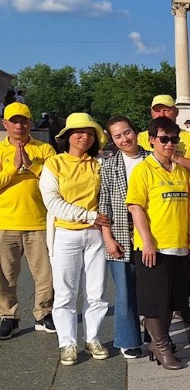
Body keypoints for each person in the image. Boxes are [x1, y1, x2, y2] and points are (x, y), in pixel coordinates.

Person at [39, 113, 110, 366]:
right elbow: (53, 202)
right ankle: (67, 342)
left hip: (94, 235)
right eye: (79, 132)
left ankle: (93, 337)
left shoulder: (98, 164)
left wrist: (97, 221)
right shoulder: (54, 164)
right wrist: (89, 216)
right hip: (66, 233)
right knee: (65, 293)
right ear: (68, 135)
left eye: (90, 133)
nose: (85, 136)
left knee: (96, 291)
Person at [126, 117, 190, 370]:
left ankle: (158, 343)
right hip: (155, 246)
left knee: (173, 298)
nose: (169, 144)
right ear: (152, 140)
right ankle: (162, 346)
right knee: (155, 300)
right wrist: (147, 241)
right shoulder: (144, 169)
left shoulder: (181, 171)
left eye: (174, 139)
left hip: (179, 244)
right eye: (164, 139)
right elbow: (136, 207)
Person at [0, 102, 56, 341]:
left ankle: (43, 313)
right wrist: (13, 169)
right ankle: (8, 316)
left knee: (45, 274)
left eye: (24, 120)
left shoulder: (45, 149)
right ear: (5, 124)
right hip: (6, 221)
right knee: (5, 274)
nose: (19, 125)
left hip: (39, 220)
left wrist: (31, 165)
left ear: (31, 123)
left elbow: (56, 181)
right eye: (14, 121)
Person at [99, 116, 148, 359]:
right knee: (125, 291)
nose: (124, 139)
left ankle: (156, 333)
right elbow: (104, 205)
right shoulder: (109, 166)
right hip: (121, 232)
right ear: (112, 140)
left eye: (127, 133)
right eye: (117, 136)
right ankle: (128, 339)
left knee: (152, 286)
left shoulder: (153, 158)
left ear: (135, 132)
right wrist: (108, 238)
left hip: (152, 232)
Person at [137, 95, 190, 172]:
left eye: (166, 110)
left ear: (176, 112)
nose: (162, 114)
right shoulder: (140, 138)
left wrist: (178, 159)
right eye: (158, 111)